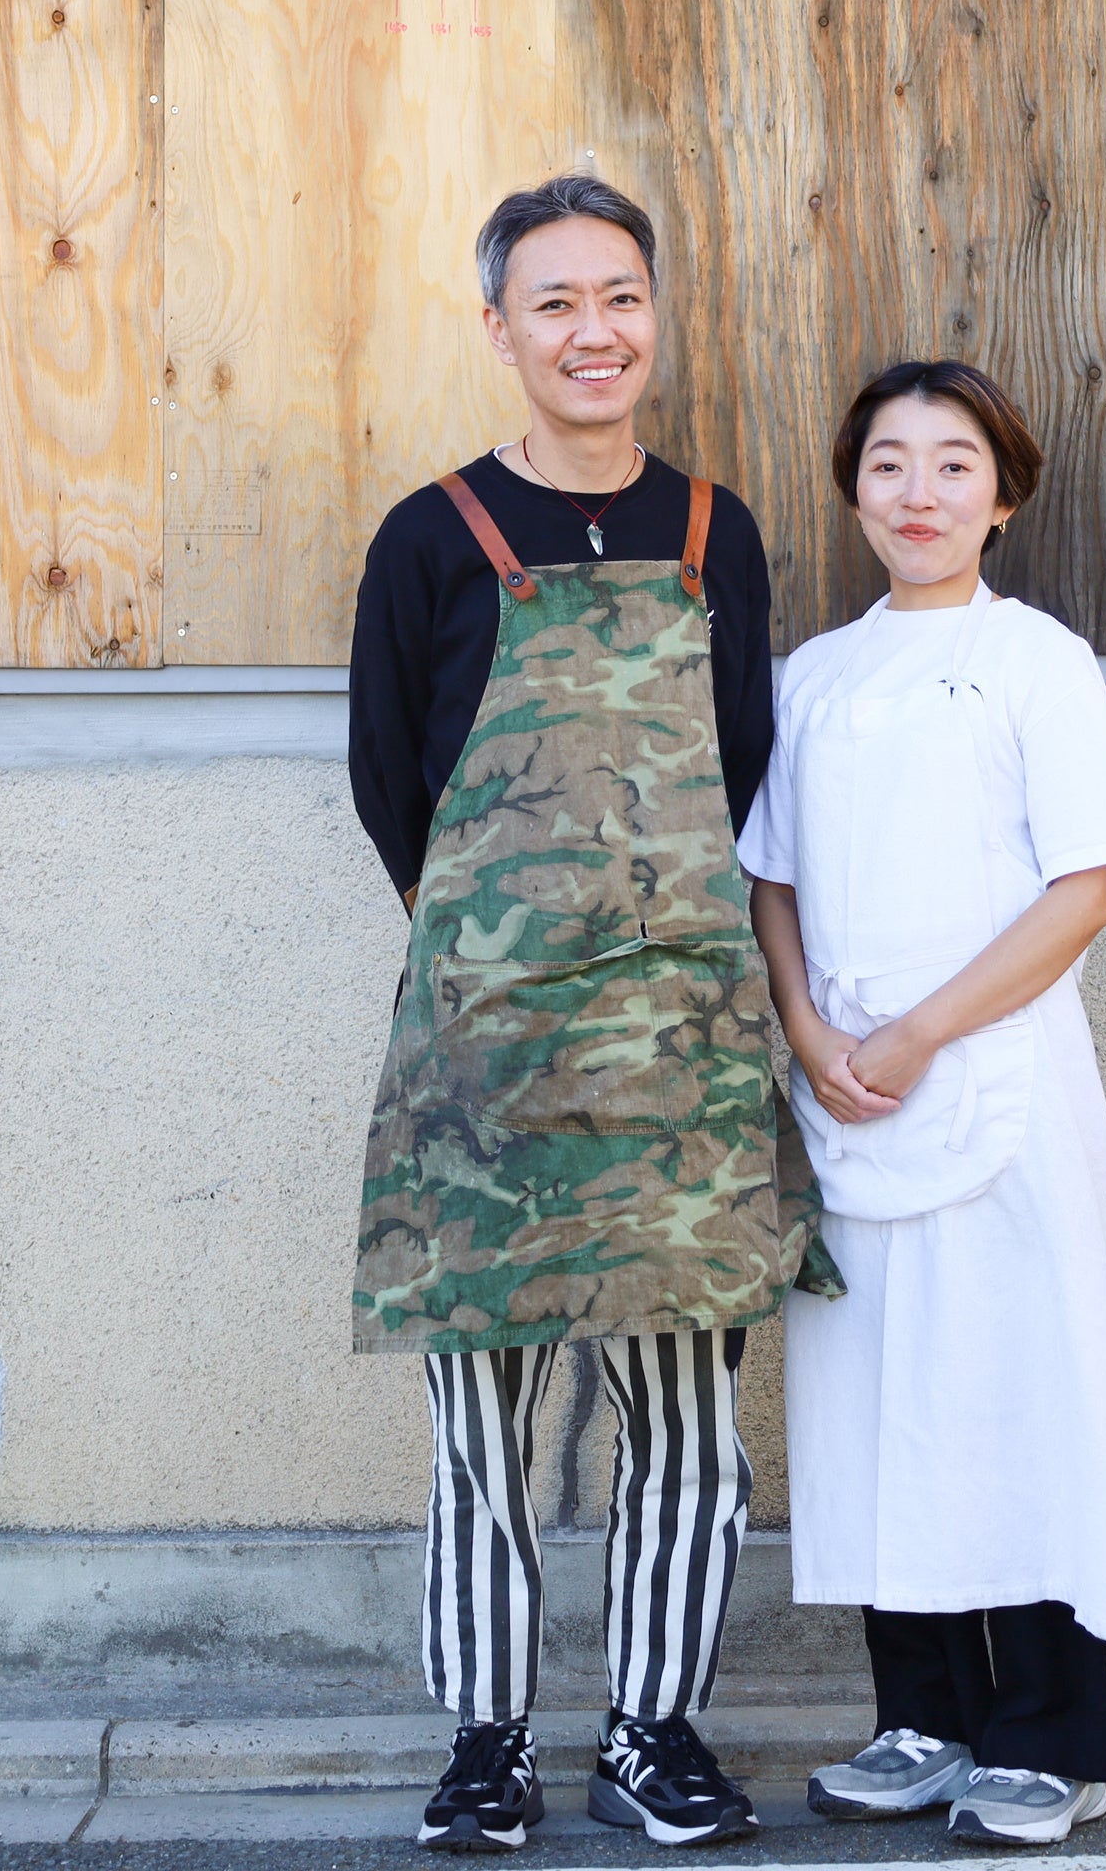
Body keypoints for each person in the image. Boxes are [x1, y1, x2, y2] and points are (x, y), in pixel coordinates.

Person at [348, 173, 835, 1854]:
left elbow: (747, 770)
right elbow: (386, 781)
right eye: (554, 302)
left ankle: (652, 1726)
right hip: (485, 1062)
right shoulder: (431, 537)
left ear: (655, 314)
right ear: (501, 330)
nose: (592, 330)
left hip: (687, 1058)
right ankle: (487, 1739)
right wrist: (514, 949)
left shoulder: (722, 532)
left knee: (687, 1432)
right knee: (481, 1425)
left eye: (618, 295)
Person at [740, 360, 1106, 1848]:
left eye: (953, 467)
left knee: (1016, 1395)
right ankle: (920, 1717)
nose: (920, 496)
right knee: (874, 1405)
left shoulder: (1039, 660)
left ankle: (1053, 1736)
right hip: (850, 1098)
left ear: (1005, 493)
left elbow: (1088, 887)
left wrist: (921, 1031)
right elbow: (771, 878)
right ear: (854, 491)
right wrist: (808, 1029)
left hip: (995, 1087)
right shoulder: (812, 677)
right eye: (890, 467)